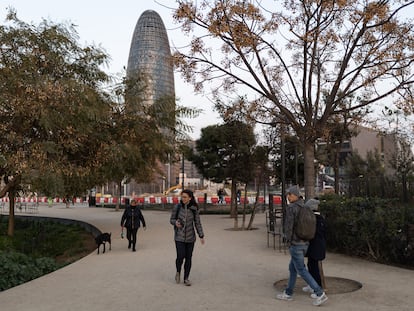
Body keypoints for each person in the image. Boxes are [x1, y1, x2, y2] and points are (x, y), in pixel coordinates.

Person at [276, 186, 328, 306]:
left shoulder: (292, 208)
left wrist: (287, 240)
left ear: (295, 195)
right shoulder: (305, 207)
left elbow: (288, 227)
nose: (288, 197)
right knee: (293, 268)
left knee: (301, 270)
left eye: (289, 194)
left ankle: (319, 293)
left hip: (295, 243)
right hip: (305, 243)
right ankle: (288, 293)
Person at [170, 189, 205, 286]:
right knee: (180, 256)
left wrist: (201, 235)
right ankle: (178, 271)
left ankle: (186, 278)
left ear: (190, 198)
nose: (183, 199)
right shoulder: (177, 207)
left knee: (188, 258)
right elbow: (171, 219)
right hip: (179, 237)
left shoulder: (194, 209)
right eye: (182, 197)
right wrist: (175, 223)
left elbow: (197, 223)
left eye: (185, 197)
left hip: (190, 238)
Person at [303, 198, 327, 292]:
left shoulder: (315, 219)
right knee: (311, 265)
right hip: (316, 247)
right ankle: (312, 284)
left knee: (314, 268)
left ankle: (318, 287)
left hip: (315, 247)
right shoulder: (320, 219)